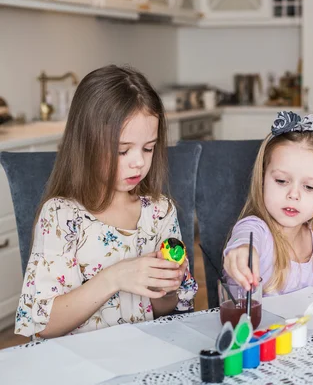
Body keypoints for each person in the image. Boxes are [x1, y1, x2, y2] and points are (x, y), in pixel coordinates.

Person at [15, 65, 197, 339]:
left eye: (148, 148)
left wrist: (167, 285)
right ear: (86, 144)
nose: (138, 161)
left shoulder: (159, 212)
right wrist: (115, 277)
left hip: (139, 352)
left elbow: (164, 309)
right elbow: (43, 324)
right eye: (122, 150)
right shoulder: (61, 216)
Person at [223, 111, 313, 295]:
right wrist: (242, 250)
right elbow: (243, 239)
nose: (293, 195)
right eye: (281, 181)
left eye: (309, 187)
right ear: (262, 179)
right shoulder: (255, 230)